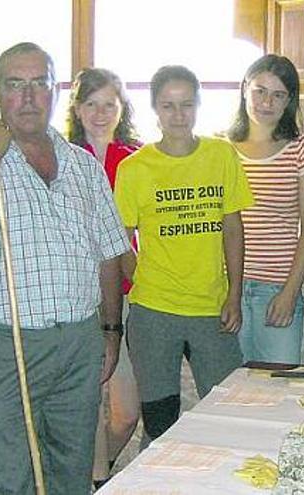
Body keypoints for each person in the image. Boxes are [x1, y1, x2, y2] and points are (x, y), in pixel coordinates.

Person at [0, 42, 129, 494]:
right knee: (7, 477)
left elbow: (108, 253)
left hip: (80, 341)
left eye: (38, 83)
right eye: (14, 84)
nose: (27, 96)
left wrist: (110, 331)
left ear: (55, 91)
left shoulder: (83, 167)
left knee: (71, 471)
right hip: (9, 344)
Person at [114, 65, 254, 443]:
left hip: (212, 308)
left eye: (186, 105)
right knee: (160, 423)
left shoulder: (221, 155)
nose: (178, 115)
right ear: (155, 110)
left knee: (226, 413)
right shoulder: (135, 168)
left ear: (199, 106)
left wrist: (234, 294)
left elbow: (233, 227)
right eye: (168, 106)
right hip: (154, 312)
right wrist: (141, 274)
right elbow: (118, 239)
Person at [66, 67, 140, 486]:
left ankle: (92, 475)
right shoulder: (59, 157)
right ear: (77, 108)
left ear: (121, 108)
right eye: (91, 104)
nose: (100, 113)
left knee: (126, 410)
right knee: (88, 403)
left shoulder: (135, 158)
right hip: (76, 296)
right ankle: (93, 481)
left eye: (109, 104)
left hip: (127, 294)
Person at [227, 54, 304, 365]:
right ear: (244, 90)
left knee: (278, 388)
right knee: (229, 393)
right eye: (260, 91)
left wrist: (291, 292)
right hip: (228, 289)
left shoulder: (301, 146)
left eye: (278, 94)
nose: (267, 102)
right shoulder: (220, 148)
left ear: (289, 101)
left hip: (277, 288)